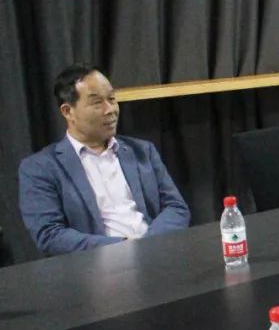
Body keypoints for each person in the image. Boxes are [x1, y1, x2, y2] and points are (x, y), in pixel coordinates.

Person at [19, 64, 190, 256]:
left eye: (112, 99)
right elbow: (49, 234)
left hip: (156, 252)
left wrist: (149, 245)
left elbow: (176, 207)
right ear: (68, 111)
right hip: (98, 263)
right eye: (97, 103)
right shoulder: (40, 168)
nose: (110, 110)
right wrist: (124, 247)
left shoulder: (142, 151)